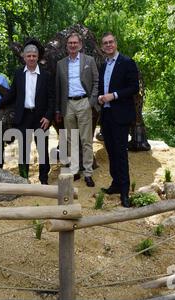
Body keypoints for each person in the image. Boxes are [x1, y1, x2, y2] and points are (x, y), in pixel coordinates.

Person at [0, 43, 54, 184]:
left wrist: (48, 117)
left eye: (34, 56)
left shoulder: (46, 75)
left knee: (42, 149)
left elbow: (51, 98)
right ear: (24, 57)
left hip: (40, 118)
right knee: (24, 150)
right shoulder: (19, 74)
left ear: (38, 57)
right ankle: (24, 179)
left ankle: (44, 179)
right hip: (23, 117)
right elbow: (12, 94)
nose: (31, 58)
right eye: (28, 56)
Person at [97, 32, 139, 207]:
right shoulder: (103, 65)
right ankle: (115, 184)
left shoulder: (127, 62)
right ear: (102, 47)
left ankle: (124, 192)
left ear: (116, 43)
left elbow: (134, 88)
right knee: (111, 152)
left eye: (111, 42)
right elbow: (102, 87)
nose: (108, 45)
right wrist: (101, 97)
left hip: (121, 116)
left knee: (121, 154)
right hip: (106, 116)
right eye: (105, 43)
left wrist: (113, 96)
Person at [55, 32, 99, 187]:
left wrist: (91, 102)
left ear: (80, 44)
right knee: (71, 139)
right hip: (68, 105)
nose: (72, 45)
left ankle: (88, 172)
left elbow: (96, 81)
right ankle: (74, 171)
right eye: (70, 43)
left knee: (86, 140)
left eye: (75, 43)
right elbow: (58, 88)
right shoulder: (61, 64)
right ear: (66, 46)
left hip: (83, 102)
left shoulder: (89, 60)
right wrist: (58, 110)